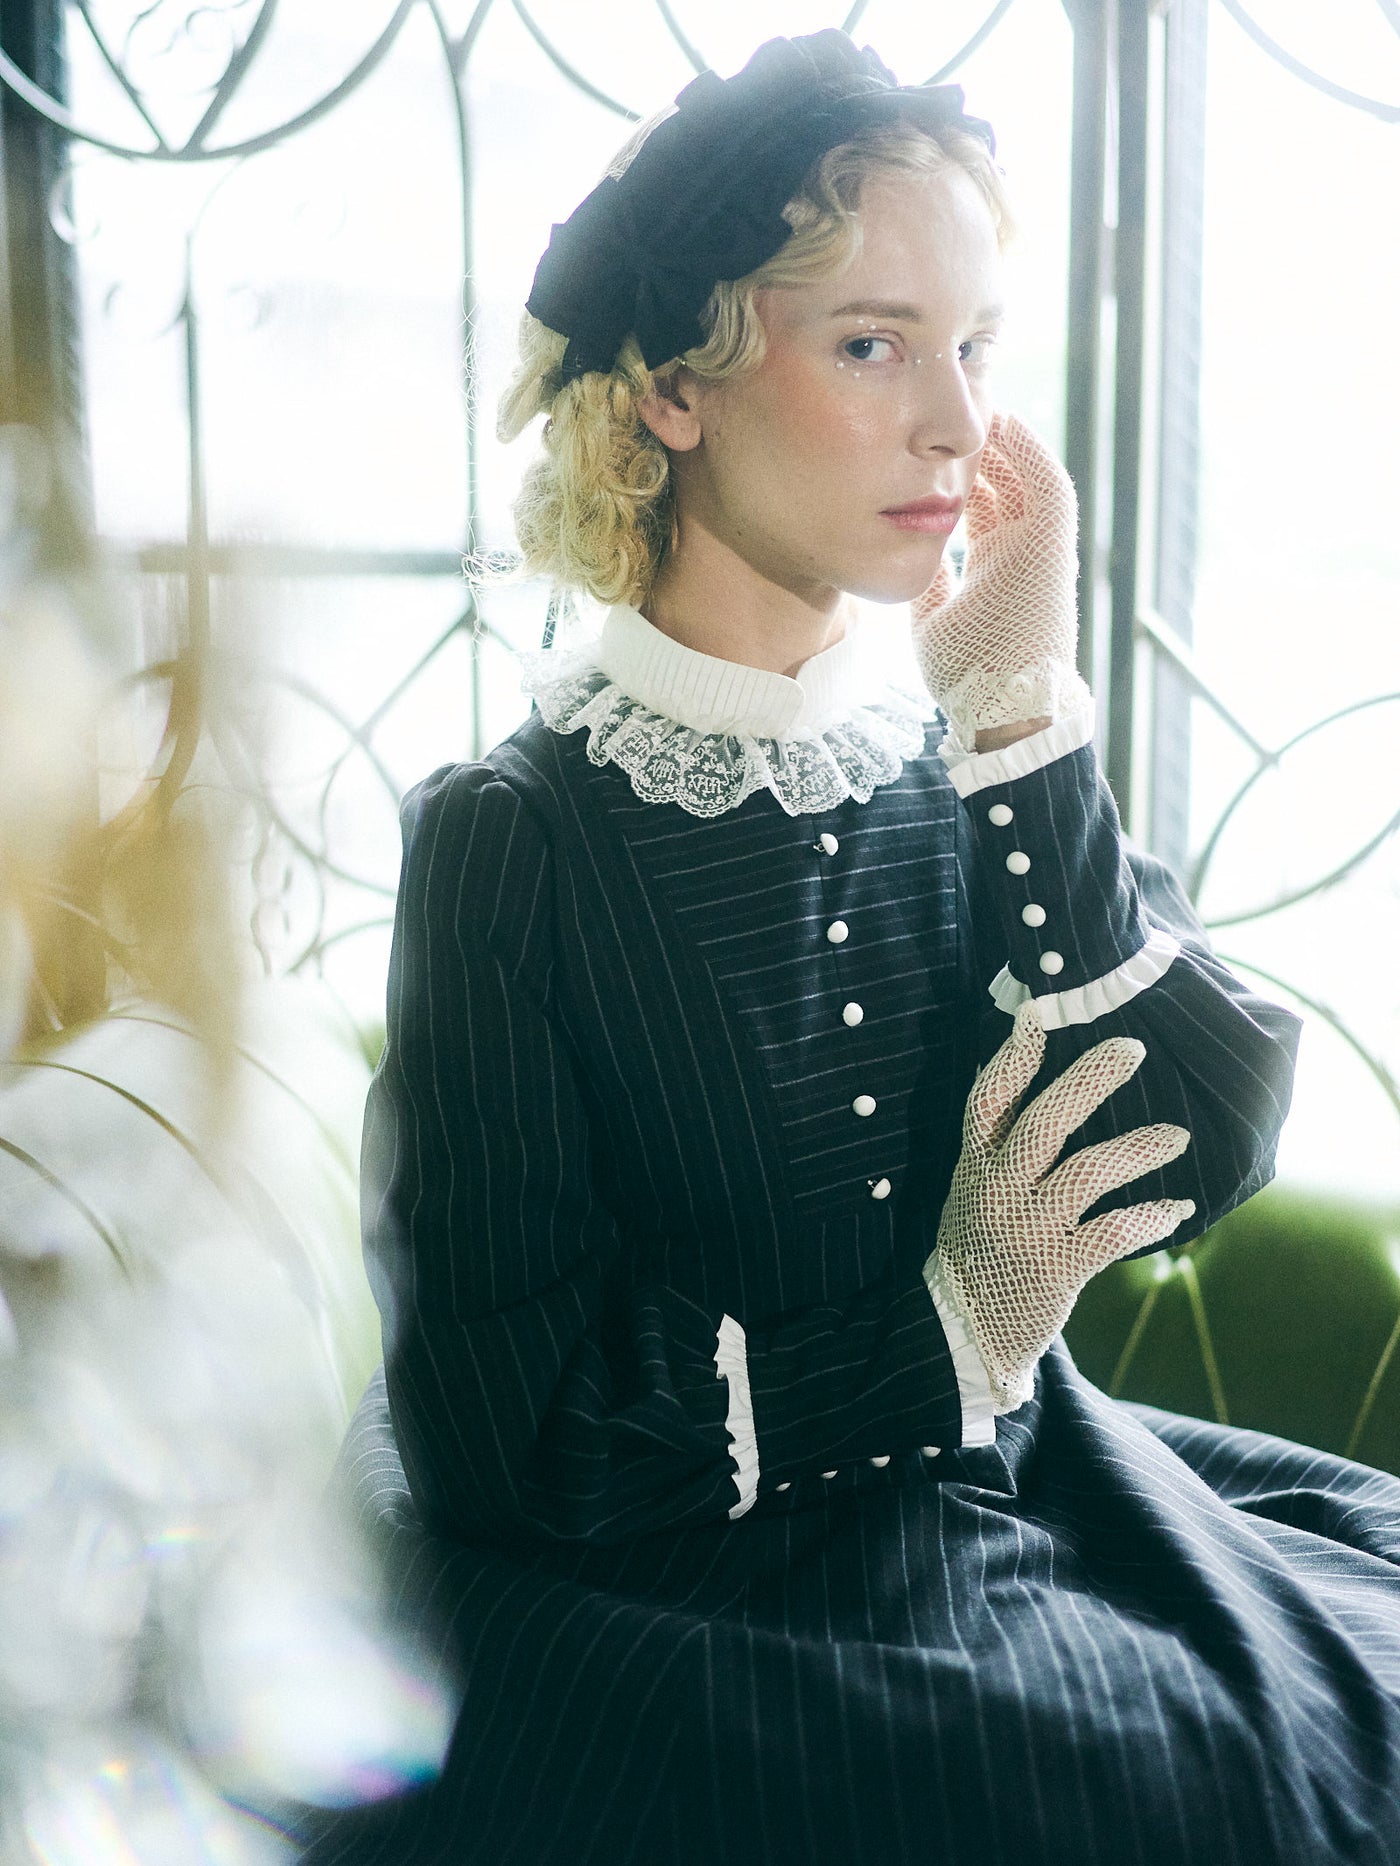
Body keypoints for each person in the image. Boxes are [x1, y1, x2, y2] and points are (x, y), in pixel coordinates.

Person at [302, 30, 1400, 1866]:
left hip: (1020, 1495)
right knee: (1133, 1791)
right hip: (683, 1605)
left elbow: (1202, 1145)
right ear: (674, 387)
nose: (961, 426)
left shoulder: (960, 765)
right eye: (877, 345)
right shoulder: (514, 840)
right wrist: (943, 1331)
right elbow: (510, 1429)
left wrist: (1020, 718)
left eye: (977, 349)